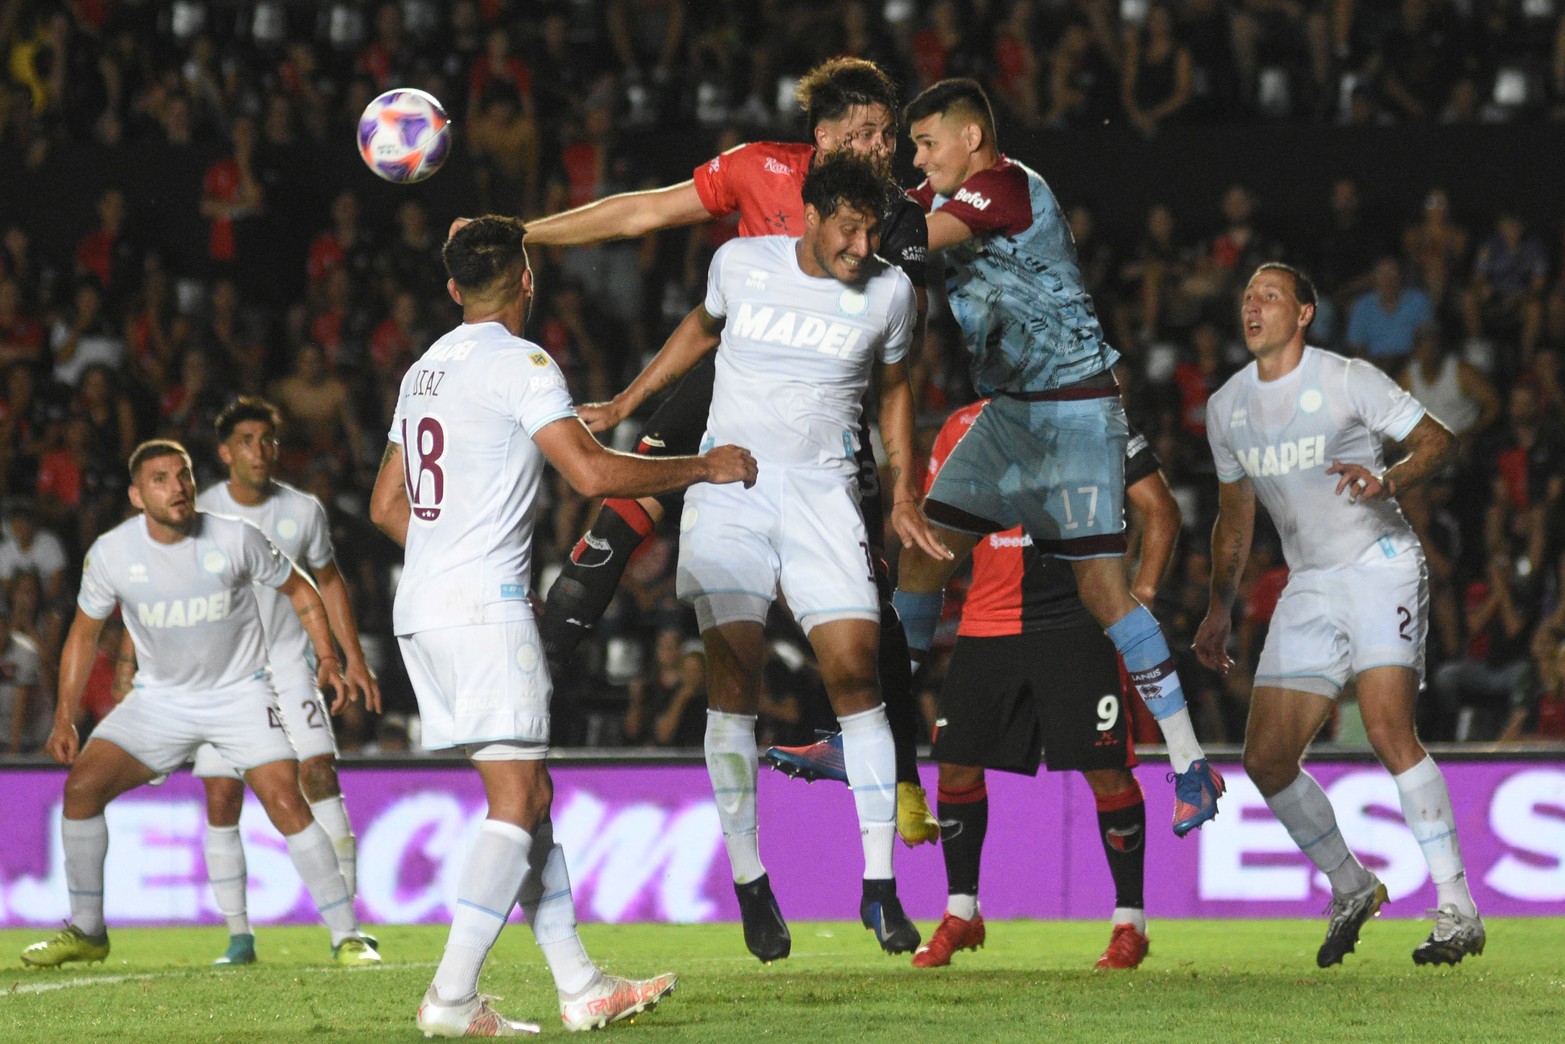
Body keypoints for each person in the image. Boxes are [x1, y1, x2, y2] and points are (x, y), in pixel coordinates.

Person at [512, 56, 942, 846]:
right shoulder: (756, 169)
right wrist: (526, 232)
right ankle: (528, 693)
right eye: (866, 131)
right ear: (822, 136)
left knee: (866, 596)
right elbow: (645, 213)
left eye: (889, 134)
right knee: (617, 520)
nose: (884, 147)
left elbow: (898, 355)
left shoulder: (899, 217)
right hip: (734, 382)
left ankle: (899, 775)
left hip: (826, 411)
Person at [369, 216, 755, 1034]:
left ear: (452, 290)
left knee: (530, 798)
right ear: (527, 279)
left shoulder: (422, 370)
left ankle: (580, 984)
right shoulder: (523, 364)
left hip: (422, 605)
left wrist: (451, 559)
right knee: (515, 803)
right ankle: (450, 998)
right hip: (481, 605)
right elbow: (589, 472)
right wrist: (703, 465)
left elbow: (385, 506)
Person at [586, 156, 946, 965]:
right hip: (732, 487)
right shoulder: (739, 263)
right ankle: (752, 885)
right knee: (733, 677)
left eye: (871, 231)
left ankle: (879, 886)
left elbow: (894, 389)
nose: (862, 246)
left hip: (823, 495)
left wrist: (900, 491)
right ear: (811, 217)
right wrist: (623, 405)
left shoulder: (891, 294)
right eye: (848, 229)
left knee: (857, 672)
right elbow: (700, 332)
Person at [890, 77, 1224, 836]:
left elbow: (906, 239)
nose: (918, 156)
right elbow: (894, 210)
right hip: (1011, 415)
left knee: (1104, 597)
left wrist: (860, 211)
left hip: (1073, 412)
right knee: (923, 557)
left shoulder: (1005, 188)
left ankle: (1190, 765)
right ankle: (879, 743)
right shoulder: (953, 187)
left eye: (925, 141)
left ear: (970, 138)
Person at [1194, 262, 1484, 968]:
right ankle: (1351, 884)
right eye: (1246, 297)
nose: (1252, 306)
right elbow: (1234, 518)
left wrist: (1385, 479)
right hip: (1311, 582)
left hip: (1378, 560)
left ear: (1303, 313)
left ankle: (1457, 908)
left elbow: (1436, 440)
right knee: (1263, 757)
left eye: (1269, 296)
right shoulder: (1225, 406)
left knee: (1387, 727)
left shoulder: (1344, 378)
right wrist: (1218, 608)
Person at [21, 440, 381, 968]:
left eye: (184, 475)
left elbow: (302, 589)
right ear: (137, 496)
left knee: (286, 800)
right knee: (81, 789)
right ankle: (89, 931)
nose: (178, 486)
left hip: (240, 692)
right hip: (161, 700)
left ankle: (347, 936)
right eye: (161, 478)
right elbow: (83, 632)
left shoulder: (234, 538)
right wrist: (63, 716)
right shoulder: (113, 552)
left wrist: (327, 656)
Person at [911, 403, 1179, 971]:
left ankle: (1130, 922)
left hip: (1076, 620)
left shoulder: (1095, 417)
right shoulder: (958, 428)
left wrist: (1141, 601)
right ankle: (962, 912)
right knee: (956, 766)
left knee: (1105, 771)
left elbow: (1161, 510)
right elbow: (939, 534)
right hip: (987, 623)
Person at [191, 395, 379, 966]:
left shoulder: (304, 511)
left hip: (290, 663)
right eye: (247, 441)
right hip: (220, 674)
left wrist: (352, 658)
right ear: (225, 452)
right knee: (223, 795)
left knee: (318, 771)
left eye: (267, 440)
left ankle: (347, 932)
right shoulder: (195, 513)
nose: (259, 451)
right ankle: (239, 937)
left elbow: (329, 582)